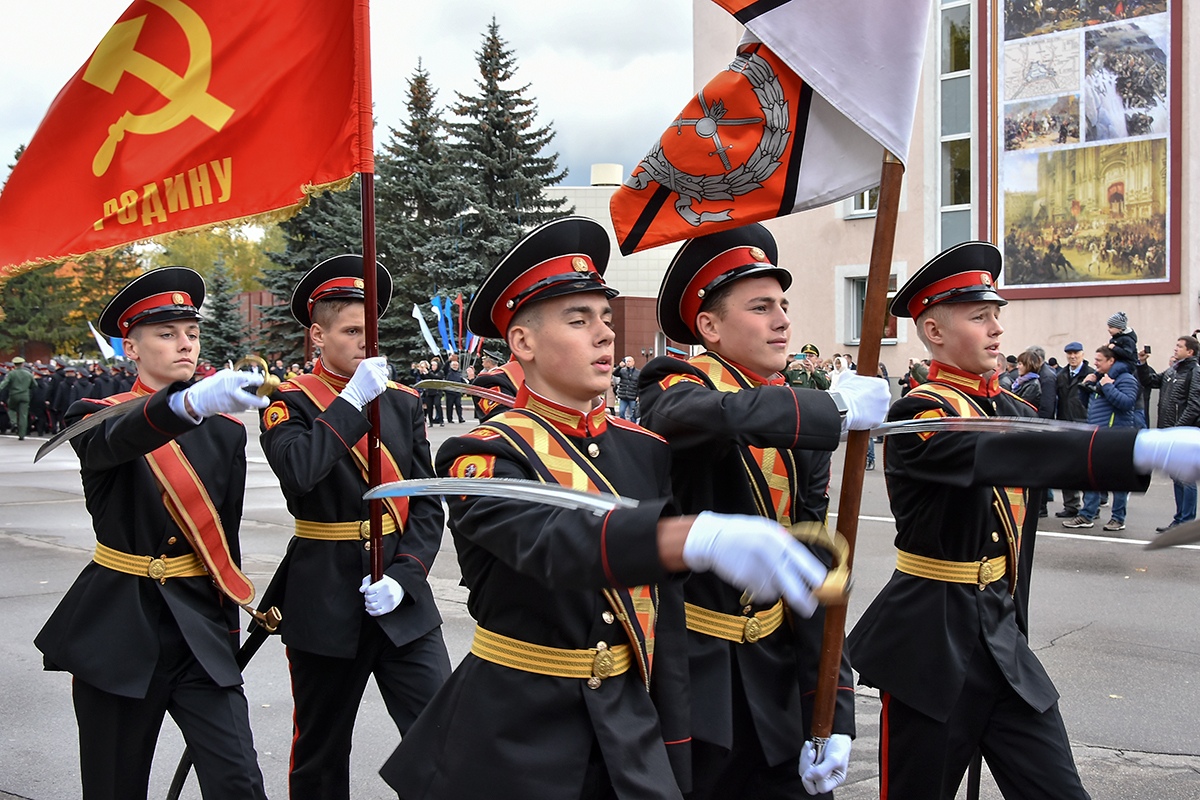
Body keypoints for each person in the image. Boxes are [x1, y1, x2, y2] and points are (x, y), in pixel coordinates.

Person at [381, 216, 834, 800]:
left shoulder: (642, 450)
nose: (604, 335)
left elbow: (662, 623)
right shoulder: (482, 454)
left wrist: (675, 746)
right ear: (523, 343)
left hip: (627, 730)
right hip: (515, 736)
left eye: (604, 318)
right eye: (578, 320)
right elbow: (553, 545)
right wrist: (685, 538)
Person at [845, 241, 1200, 799]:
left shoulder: (1014, 409)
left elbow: (1038, 445)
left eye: (996, 316)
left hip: (1001, 639)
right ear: (934, 332)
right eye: (979, 317)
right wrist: (1139, 450)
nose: (996, 330)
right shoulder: (918, 414)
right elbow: (999, 454)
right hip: (930, 647)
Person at [638, 222, 892, 799]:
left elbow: (810, 567)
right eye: (760, 307)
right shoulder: (674, 385)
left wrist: (834, 707)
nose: (782, 320)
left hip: (780, 682)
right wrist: (828, 408)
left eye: (783, 304)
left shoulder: (791, 413)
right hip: (698, 686)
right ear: (709, 326)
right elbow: (710, 416)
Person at [34, 267, 271, 800]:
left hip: (198, 631)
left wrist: (226, 631)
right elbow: (117, 440)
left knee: (239, 780)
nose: (184, 344)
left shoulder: (226, 427)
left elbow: (222, 540)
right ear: (131, 349)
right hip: (120, 628)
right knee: (115, 784)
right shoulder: (93, 415)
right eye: (166, 335)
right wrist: (186, 405)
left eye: (191, 333)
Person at [259, 255, 451, 799]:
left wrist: (407, 576)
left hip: (399, 593)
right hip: (324, 596)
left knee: (440, 739)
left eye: (371, 331)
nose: (366, 343)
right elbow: (300, 472)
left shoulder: (405, 402)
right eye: (350, 331)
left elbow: (426, 503)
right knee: (321, 751)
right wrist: (349, 403)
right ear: (317, 335)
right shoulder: (287, 402)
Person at [1062, 345, 1146, 532]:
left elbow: (1126, 403)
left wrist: (1107, 386)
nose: (1095, 363)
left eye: (1099, 360)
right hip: (1097, 435)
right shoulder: (1101, 378)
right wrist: (1085, 388)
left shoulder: (1125, 379)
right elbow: (1089, 405)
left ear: (1111, 361)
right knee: (1092, 477)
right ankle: (1086, 515)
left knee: (1117, 480)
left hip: (1117, 436)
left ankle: (1118, 518)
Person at [1138, 335, 1200, 532]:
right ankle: (1179, 518)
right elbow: (1150, 380)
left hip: (1182, 432)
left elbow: (1194, 406)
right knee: (1177, 476)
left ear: (1190, 351)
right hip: (1169, 430)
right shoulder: (1173, 369)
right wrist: (1142, 363)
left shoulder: (1194, 371)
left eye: (1179, 346)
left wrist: (1178, 429)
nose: (1175, 349)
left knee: (1186, 478)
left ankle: (1187, 521)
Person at [1054, 342, 1095, 518]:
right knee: (1066, 467)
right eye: (1069, 353)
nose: (1072, 357)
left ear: (1082, 354)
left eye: (1076, 353)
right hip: (1065, 423)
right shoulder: (1061, 375)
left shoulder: (1091, 374)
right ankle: (1071, 505)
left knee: (1086, 468)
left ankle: (1090, 507)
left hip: (1084, 423)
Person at [0, 355, 34, 439]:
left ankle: (14, 422)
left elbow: (4, 383)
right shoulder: (28, 373)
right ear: (22, 364)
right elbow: (34, 384)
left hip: (14, 395)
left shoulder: (11, 373)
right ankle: (22, 434)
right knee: (23, 415)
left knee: (11, 408)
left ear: (14, 364)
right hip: (25, 395)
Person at [613, 354, 641, 421]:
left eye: (629, 361)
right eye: (627, 361)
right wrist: (619, 367)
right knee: (621, 412)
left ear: (633, 362)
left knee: (633, 414)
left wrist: (638, 395)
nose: (628, 363)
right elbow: (615, 373)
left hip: (632, 396)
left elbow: (639, 385)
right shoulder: (623, 371)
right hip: (623, 395)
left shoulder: (638, 373)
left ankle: (633, 426)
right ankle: (623, 423)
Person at [442, 357, 467, 423]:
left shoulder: (459, 373)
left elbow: (462, 381)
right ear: (451, 366)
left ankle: (460, 418)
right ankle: (450, 419)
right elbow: (444, 368)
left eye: (456, 365)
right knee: (449, 406)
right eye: (453, 365)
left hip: (457, 392)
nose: (455, 366)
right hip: (449, 392)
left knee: (458, 405)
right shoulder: (448, 372)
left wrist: (465, 391)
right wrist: (448, 360)